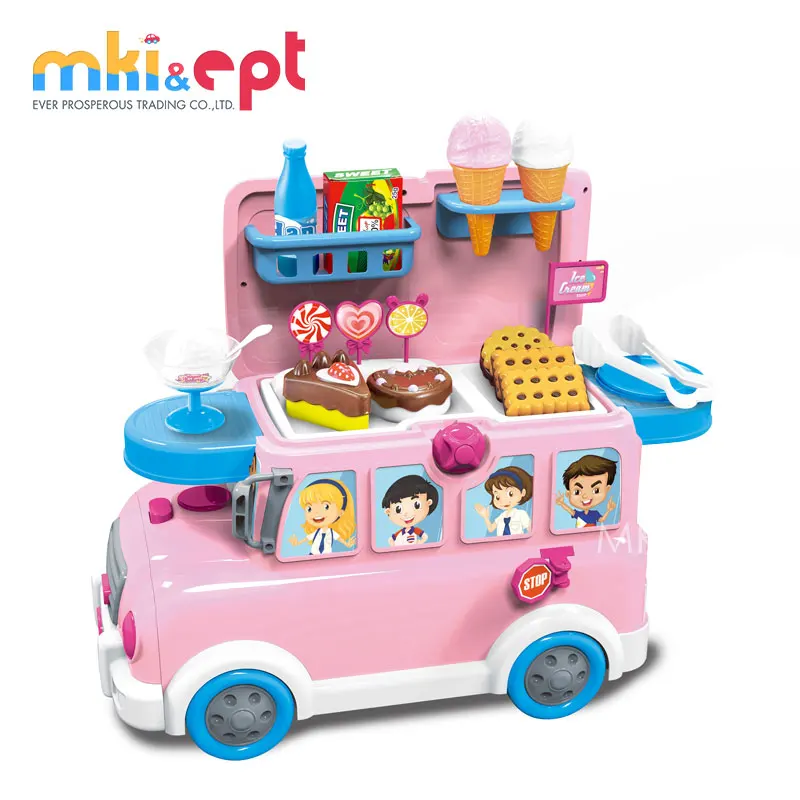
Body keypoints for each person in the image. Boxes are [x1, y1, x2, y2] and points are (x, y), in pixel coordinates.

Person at [289, 478, 356, 555]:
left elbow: (340, 539)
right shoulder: (316, 532)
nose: (316, 512)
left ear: (340, 512)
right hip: (313, 554)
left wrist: (347, 544)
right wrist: (297, 543)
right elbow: (307, 538)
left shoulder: (332, 533)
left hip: (327, 556)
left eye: (326, 506)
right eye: (309, 508)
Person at [555, 454, 618, 528]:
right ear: (568, 494)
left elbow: (602, 520)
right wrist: (562, 503)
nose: (585, 496)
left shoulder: (595, 514)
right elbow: (570, 510)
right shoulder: (579, 514)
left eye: (596, 490)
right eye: (577, 492)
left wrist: (608, 510)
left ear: (607, 489)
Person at [474, 466, 533, 536]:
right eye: (497, 497)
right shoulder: (501, 516)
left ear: (523, 492)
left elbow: (531, 529)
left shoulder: (521, 514)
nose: (503, 501)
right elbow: (491, 528)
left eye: (510, 493)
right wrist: (485, 516)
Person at [382, 474, 439, 546]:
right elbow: (391, 540)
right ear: (388, 512)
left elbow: (425, 537)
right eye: (398, 509)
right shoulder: (400, 532)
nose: (406, 513)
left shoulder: (416, 530)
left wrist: (419, 543)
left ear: (428, 503)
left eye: (417, 505)